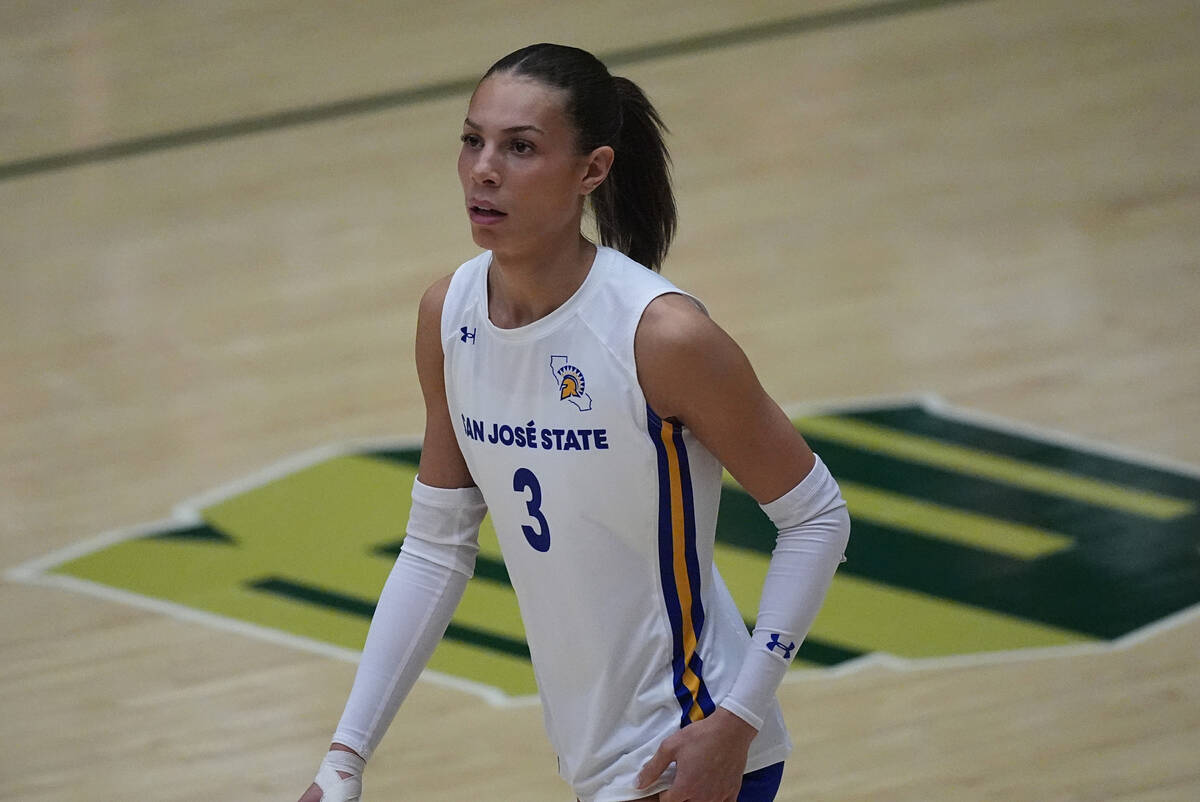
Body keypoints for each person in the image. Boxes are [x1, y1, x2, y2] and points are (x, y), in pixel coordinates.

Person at [298, 43, 850, 802]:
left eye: (520, 147)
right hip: (590, 758)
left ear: (591, 170)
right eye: (472, 140)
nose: (483, 169)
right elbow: (434, 549)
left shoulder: (661, 336)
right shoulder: (447, 315)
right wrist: (345, 757)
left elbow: (817, 517)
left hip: (689, 749)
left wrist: (740, 719)